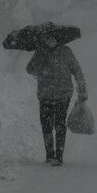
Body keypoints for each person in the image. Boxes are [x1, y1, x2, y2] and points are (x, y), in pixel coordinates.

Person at [27, 35, 87, 166]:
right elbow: (29, 69)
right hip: (45, 95)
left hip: (63, 94)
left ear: (58, 39)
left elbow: (77, 70)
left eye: (53, 38)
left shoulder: (66, 51)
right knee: (46, 126)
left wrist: (82, 88)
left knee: (59, 125)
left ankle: (59, 156)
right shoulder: (40, 52)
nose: (51, 41)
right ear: (45, 40)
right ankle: (50, 155)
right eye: (48, 38)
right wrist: (41, 64)